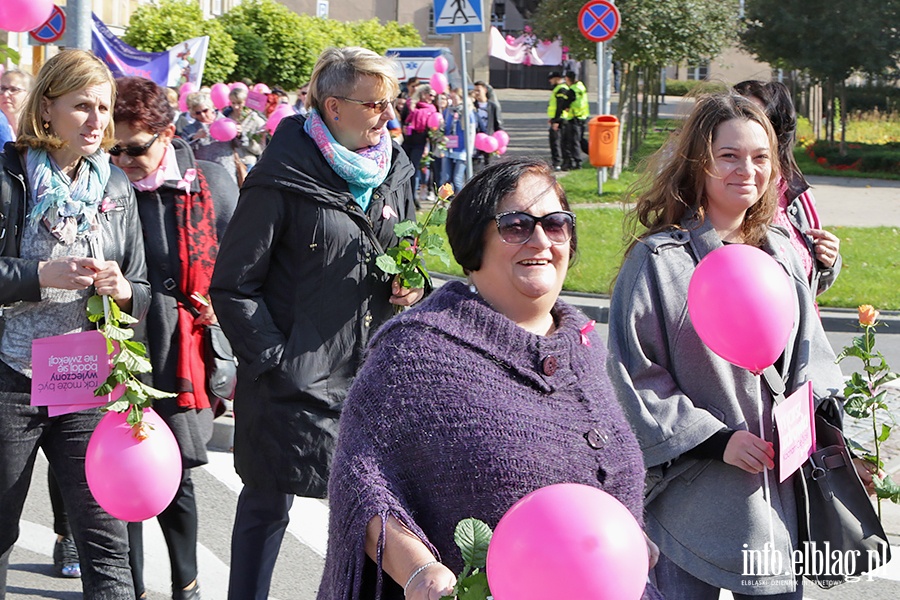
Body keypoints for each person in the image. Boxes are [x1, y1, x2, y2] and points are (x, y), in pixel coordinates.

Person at [318, 157, 662, 600]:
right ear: (474, 241)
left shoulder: (583, 346)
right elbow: (360, 482)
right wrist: (419, 570)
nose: (540, 239)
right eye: (516, 225)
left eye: (556, 224)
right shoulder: (417, 352)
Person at [606, 93, 853, 599]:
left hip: (779, 495)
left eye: (761, 157)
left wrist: (830, 435)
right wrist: (715, 440)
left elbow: (812, 355)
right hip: (691, 499)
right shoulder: (659, 261)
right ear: (700, 160)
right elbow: (634, 374)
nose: (748, 169)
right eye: (730, 155)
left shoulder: (782, 250)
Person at [208, 46, 423, 600]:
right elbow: (234, 285)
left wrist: (414, 285)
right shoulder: (279, 177)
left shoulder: (394, 169)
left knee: (376, 516)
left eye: (390, 102)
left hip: (372, 380)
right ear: (332, 106)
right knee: (265, 508)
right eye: (374, 104)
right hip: (291, 384)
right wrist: (276, 361)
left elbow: (406, 252)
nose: (387, 115)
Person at [0, 48, 150, 599]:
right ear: (47, 109)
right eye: (82, 106)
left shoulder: (114, 186)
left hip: (85, 378)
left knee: (105, 538)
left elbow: (143, 282)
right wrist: (41, 273)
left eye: (104, 109)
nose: (96, 121)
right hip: (9, 378)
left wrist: (125, 288)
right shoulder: (7, 177)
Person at [111, 76, 239, 600]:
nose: (123, 160)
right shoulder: (106, 184)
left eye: (135, 148)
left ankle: (185, 586)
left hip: (185, 351)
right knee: (119, 474)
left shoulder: (209, 180)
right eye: (113, 149)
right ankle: (130, 588)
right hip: (117, 343)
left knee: (175, 473)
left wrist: (226, 330)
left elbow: (240, 270)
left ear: (166, 133)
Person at [733, 80, 841, 296]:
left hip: (799, 328)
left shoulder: (795, 192)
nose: (741, 125)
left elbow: (806, 285)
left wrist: (828, 262)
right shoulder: (730, 188)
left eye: (754, 117)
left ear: (777, 131)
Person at [180, 92, 238, 184]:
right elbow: (183, 150)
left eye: (205, 111)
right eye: (198, 113)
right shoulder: (190, 129)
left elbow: (242, 144)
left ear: (211, 108)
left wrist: (239, 134)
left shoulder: (227, 122)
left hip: (226, 171)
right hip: (204, 175)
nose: (202, 115)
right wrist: (194, 138)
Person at [402, 84, 437, 205]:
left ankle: (412, 197)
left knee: (413, 169)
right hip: (407, 142)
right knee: (404, 168)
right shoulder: (410, 105)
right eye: (430, 95)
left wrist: (428, 144)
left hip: (420, 143)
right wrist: (405, 128)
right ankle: (405, 195)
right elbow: (403, 119)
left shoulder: (432, 109)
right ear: (423, 94)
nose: (432, 98)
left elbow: (433, 128)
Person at [440, 87, 475, 193]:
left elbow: (471, 133)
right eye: (451, 97)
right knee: (445, 178)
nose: (452, 100)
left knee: (457, 179)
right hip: (448, 147)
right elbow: (444, 128)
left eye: (454, 98)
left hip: (461, 150)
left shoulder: (467, 113)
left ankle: (460, 203)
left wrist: (469, 151)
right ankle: (442, 203)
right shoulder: (447, 111)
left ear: (461, 98)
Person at [222, 86, 266, 170]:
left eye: (239, 103)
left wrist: (243, 138)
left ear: (246, 102)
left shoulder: (257, 121)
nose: (236, 107)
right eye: (233, 103)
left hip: (247, 163)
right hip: (228, 162)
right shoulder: (225, 118)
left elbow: (261, 150)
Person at [472, 80, 502, 171]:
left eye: (478, 90)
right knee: (475, 166)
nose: (476, 93)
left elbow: (498, 124)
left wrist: (499, 142)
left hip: (489, 140)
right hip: (476, 140)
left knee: (489, 166)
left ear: (485, 90)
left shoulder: (492, 106)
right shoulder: (472, 106)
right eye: (475, 91)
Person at [0, 70, 33, 145]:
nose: (5, 94)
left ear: (29, 95)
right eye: (3, 89)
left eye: (13, 89)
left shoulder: (36, 131)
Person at [546, 71, 571, 171]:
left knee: (556, 142)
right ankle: (560, 162)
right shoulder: (559, 88)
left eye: (551, 79)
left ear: (556, 78)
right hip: (558, 118)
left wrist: (556, 120)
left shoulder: (561, 89)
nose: (550, 81)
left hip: (560, 119)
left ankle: (558, 162)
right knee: (559, 141)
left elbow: (560, 106)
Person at [564, 70, 589, 168]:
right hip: (583, 116)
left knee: (574, 141)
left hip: (574, 117)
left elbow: (566, 104)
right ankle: (593, 154)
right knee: (580, 139)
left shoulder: (572, 90)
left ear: (568, 79)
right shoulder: (581, 87)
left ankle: (578, 162)